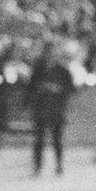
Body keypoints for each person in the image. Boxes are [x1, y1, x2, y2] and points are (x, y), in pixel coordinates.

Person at [25, 40, 76, 176]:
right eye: (48, 52)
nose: (50, 55)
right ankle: (37, 166)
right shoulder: (38, 69)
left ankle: (59, 165)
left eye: (52, 52)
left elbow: (71, 88)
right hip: (41, 108)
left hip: (56, 109)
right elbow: (30, 88)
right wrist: (40, 91)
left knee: (57, 139)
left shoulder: (63, 70)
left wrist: (57, 89)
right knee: (39, 139)